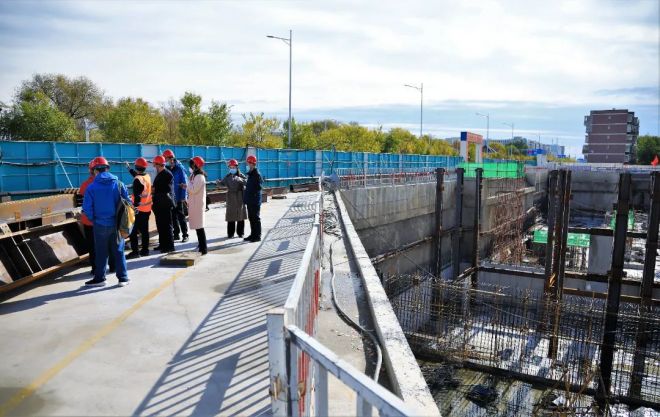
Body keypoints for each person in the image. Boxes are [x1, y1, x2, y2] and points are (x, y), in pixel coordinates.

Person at [81, 157, 130, 287]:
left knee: (101, 252)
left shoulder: (91, 187)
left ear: (95, 170)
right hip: (117, 224)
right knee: (119, 251)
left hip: (100, 225)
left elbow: (87, 208)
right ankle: (123, 278)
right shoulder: (119, 184)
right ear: (107, 168)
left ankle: (100, 278)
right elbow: (128, 204)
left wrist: (94, 219)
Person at [126, 157, 152, 259]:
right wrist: (129, 169)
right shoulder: (147, 176)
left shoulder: (137, 180)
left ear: (136, 167)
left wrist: (134, 208)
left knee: (133, 231)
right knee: (145, 231)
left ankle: (135, 252)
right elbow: (137, 176)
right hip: (147, 208)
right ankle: (145, 250)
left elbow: (137, 197)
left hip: (139, 210)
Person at [163, 149, 189, 243]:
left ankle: (185, 235)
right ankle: (176, 234)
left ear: (171, 158)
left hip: (178, 197)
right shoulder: (167, 168)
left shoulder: (179, 168)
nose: (165, 161)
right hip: (171, 197)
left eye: (166, 159)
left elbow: (184, 182)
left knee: (181, 216)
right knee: (173, 216)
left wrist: (183, 197)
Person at [217, 159, 247, 238]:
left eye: (234, 167)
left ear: (237, 167)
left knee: (240, 215)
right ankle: (230, 233)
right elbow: (222, 183)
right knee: (231, 216)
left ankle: (240, 233)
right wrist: (218, 183)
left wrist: (241, 180)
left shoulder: (241, 175)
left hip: (239, 197)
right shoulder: (227, 177)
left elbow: (247, 182)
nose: (232, 169)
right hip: (230, 197)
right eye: (231, 167)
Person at [151, 155, 175, 253]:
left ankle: (170, 246)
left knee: (167, 225)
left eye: (155, 164)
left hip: (164, 203)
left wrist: (155, 189)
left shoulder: (167, 174)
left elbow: (167, 189)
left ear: (158, 164)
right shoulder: (160, 174)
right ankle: (163, 244)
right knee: (160, 224)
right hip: (159, 203)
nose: (154, 166)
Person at [186, 156, 208, 255]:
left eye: (191, 165)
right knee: (198, 227)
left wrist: (187, 183)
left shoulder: (199, 177)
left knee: (199, 227)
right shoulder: (194, 175)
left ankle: (203, 248)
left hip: (197, 205)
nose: (190, 167)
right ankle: (201, 246)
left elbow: (193, 189)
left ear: (196, 165)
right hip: (195, 204)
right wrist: (187, 185)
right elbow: (192, 187)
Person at [78, 160, 97, 275]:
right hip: (105, 220)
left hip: (89, 221)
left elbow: (81, 200)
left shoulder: (86, 184)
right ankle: (110, 265)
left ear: (90, 170)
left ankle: (95, 268)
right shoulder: (111, 183)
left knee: (92, 245)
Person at [243, 155, 263, 242]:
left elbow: (259, 187)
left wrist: (251, 192)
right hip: (250, 200)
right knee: (251, 218)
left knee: (255, 218)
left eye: (249, 163)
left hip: (254, 201)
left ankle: (257, 236)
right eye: (248, 163)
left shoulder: (256, 174)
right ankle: (253, 234)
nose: (248, 164)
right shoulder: (251, 174)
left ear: (253, 163)